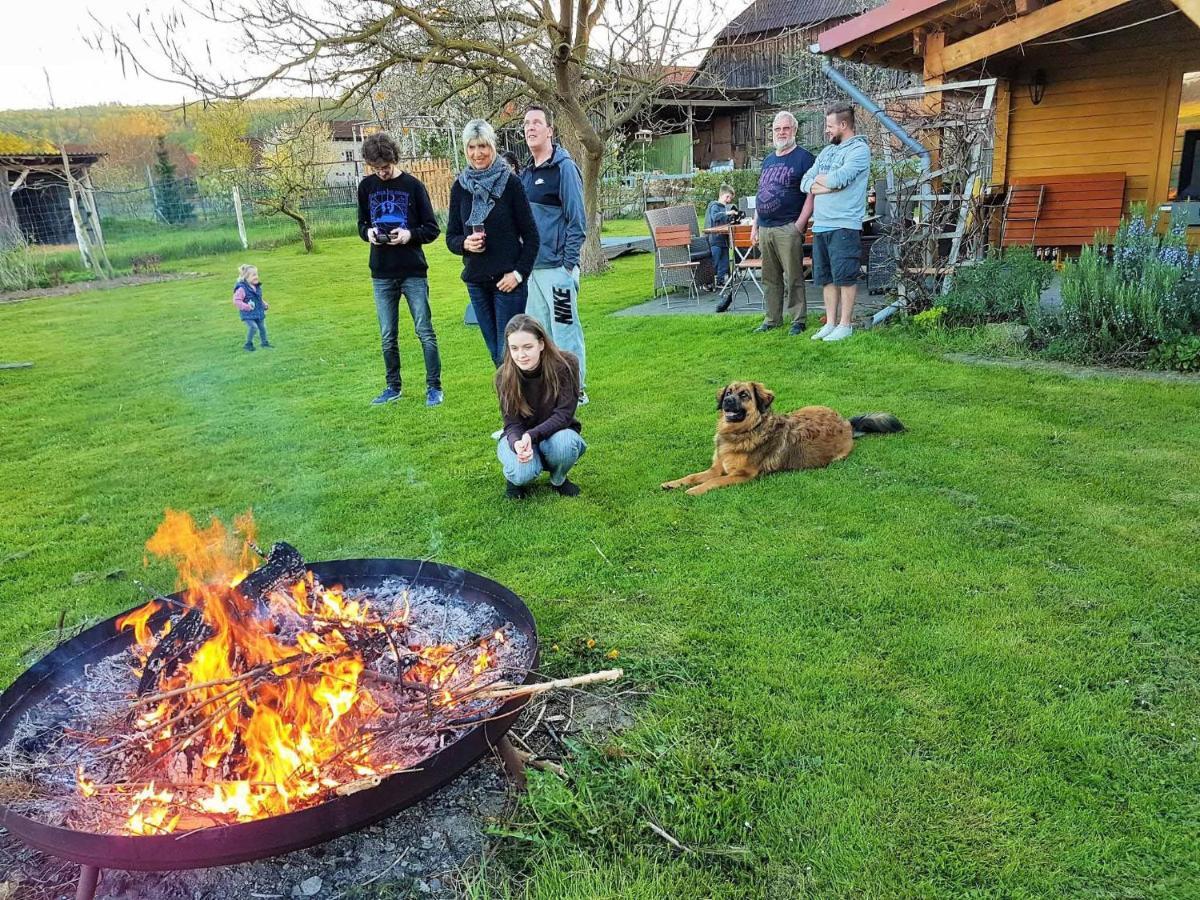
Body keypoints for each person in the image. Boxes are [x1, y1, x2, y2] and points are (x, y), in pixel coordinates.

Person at [357, 132, 444, 406]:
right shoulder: (365, 187)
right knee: (387, 336)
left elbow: (432, 229)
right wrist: (368, 233)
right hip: (381, 273)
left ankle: (434, 387)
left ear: (395, 159)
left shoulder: (413, 186)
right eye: (376, 169)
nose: (381, 173)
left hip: (413, 271)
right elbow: (361, 224)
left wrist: (409, 235)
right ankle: (393, 387)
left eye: (385, 167)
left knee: (425, 331)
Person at [447, 120, 540, 367]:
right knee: (495, 355)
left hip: (507, 284)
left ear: (493, 147)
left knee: (508, 355)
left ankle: (523, 403)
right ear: (465, 150)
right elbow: (451, 237)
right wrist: (465, 244)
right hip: (477, 282)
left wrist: (519, 275)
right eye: (471, 147)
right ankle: (513, 404)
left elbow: (532, 236)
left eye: (483, 146)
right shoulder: (459, 187)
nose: (477, 154)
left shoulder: (510, 184)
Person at [519, 105, 590, 404]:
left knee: (565, 331)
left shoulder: (564, 168)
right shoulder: (526, 174)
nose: (530, 127)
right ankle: (550, 392)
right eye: (526, 124)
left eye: (537, 122)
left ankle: (576, 390)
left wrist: (567, 265)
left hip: (557, 271)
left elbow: (578, 221)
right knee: (540, 335)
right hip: (533, 270)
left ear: (550, 131)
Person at [800, 102, 872, 343]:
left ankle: (845, 324)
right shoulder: (827, 152)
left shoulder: (859, 150)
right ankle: (830, 323)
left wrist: (824, 183)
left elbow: (840, 179)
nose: (827, 130)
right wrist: (825, 183)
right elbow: (804, 181)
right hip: (821, 225)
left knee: (845, 276)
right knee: (826, 277)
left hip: (844, 225)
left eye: (830, 126)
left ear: (843, 125)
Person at [495, 314, 585, 500]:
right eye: (514, 348)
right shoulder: (504, 376)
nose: (521, 355)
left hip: (556, 433)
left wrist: (532, 435)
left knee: (566, 444)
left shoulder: (567, 364)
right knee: (522, 473)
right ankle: (514, 479)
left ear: (542, 344)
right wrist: (517, 443)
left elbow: (564, 415)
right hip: (521, 436)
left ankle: (559, 479)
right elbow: (511, 424)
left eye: (528, 347)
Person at [744, 111, 814, 334]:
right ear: (773, 132)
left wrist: (800, 224)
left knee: (793, 276)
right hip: (765, 227)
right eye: (777, 129)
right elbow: (761, 193)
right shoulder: (768, 160)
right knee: (770, 278)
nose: (781, 133)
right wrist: (755, 226)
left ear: (794, 130)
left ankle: (798, 320)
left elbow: (812, 194)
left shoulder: (804, 158)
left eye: (786, 128)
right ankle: (772, 319)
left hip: (788, 226)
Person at [705, 184, 739, 288]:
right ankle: (708, 282)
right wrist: (728, 213)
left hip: (724, 239)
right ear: (722, 195)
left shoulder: (723, 208)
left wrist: (733, 218)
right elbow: (715, 217)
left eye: (730, 198)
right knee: (714, 260)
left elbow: (724, 220)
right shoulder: (714, 206)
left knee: (724, 262)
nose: (728, 200)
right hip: (715, 238)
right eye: (727, 197)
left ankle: (720, 280)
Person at [232, 263, 270, 351]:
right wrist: (246, 307)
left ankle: (265, 343)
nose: (256, 277)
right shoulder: (242, 289)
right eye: (253, 275)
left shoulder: (256, 287)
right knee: (253, 327)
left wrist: (264, 304)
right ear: (246, 277)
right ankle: (248, 344)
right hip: (248, 314)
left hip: (258, 312)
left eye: (257, 274)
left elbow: (258, 298)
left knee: (262, 328)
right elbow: (236, 301)